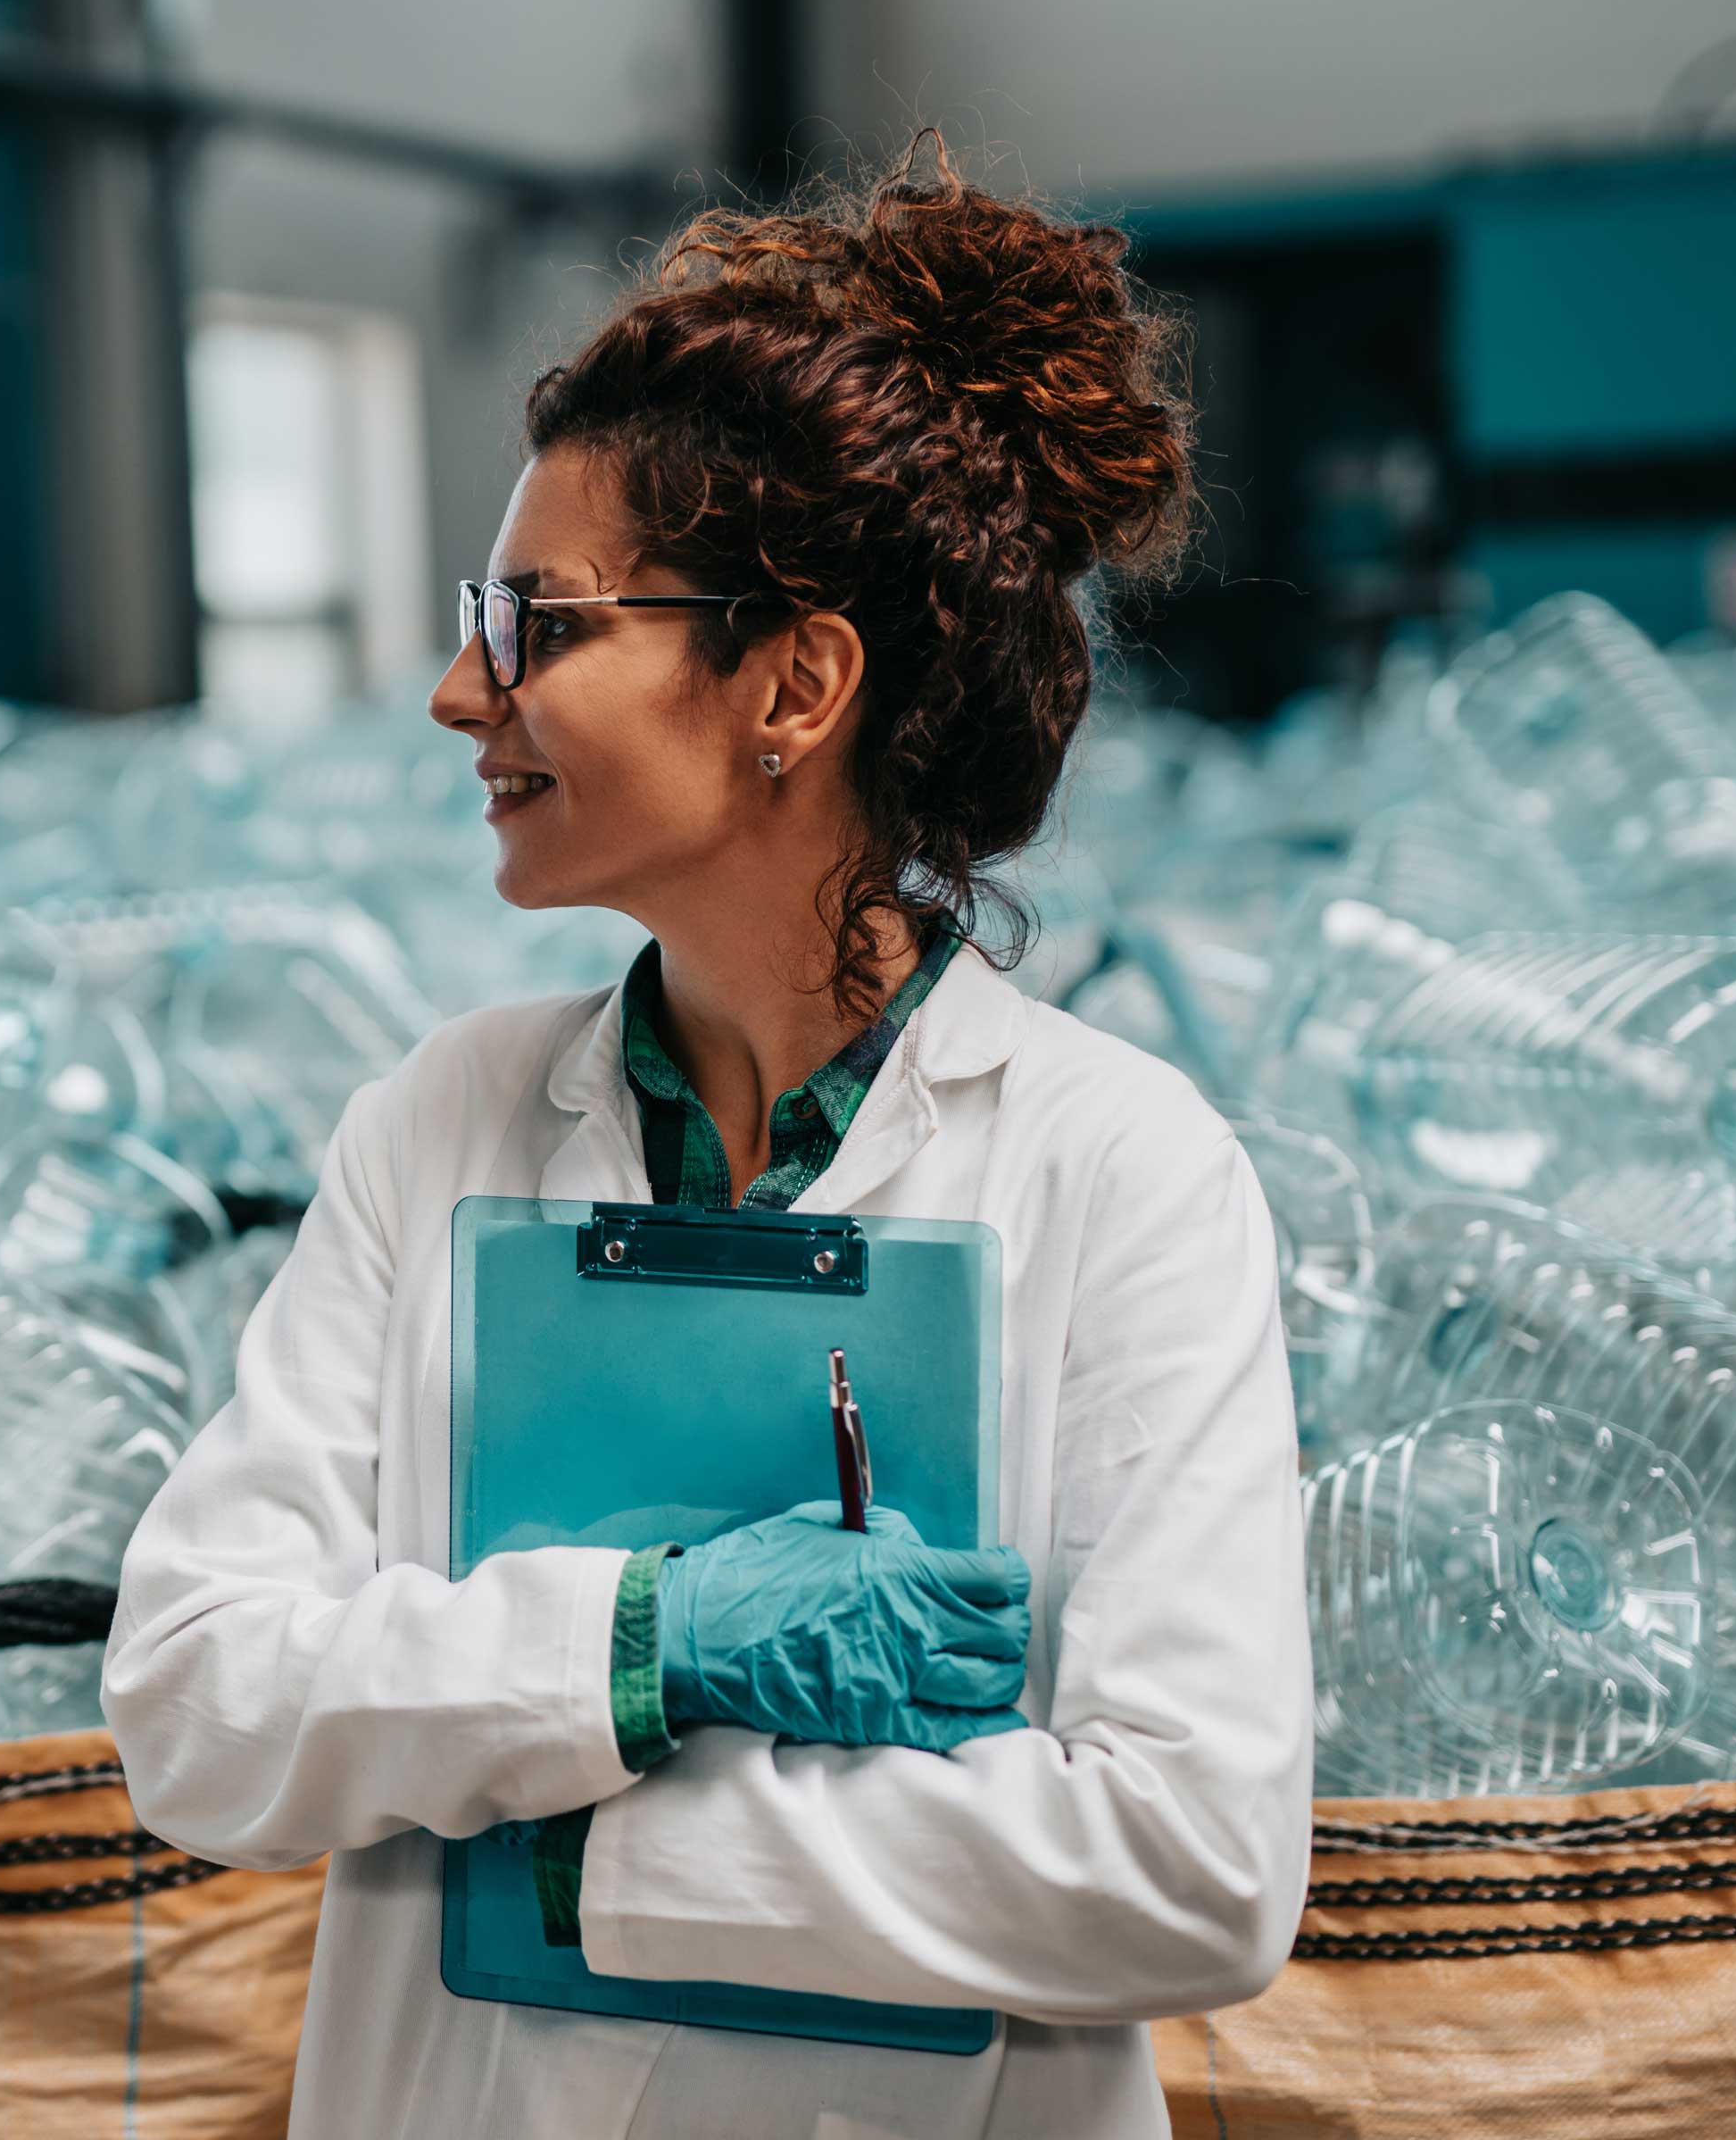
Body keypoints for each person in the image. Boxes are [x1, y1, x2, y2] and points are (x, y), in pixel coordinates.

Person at [100, 144, 1312, 2139]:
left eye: (536, 621)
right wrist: (652, 1641)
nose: (454, 686)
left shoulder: (1121, 1168)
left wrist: (581, 1850)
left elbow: (1188, 1856)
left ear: (793, 684)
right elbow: (201, 1703)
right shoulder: (447, 1119)